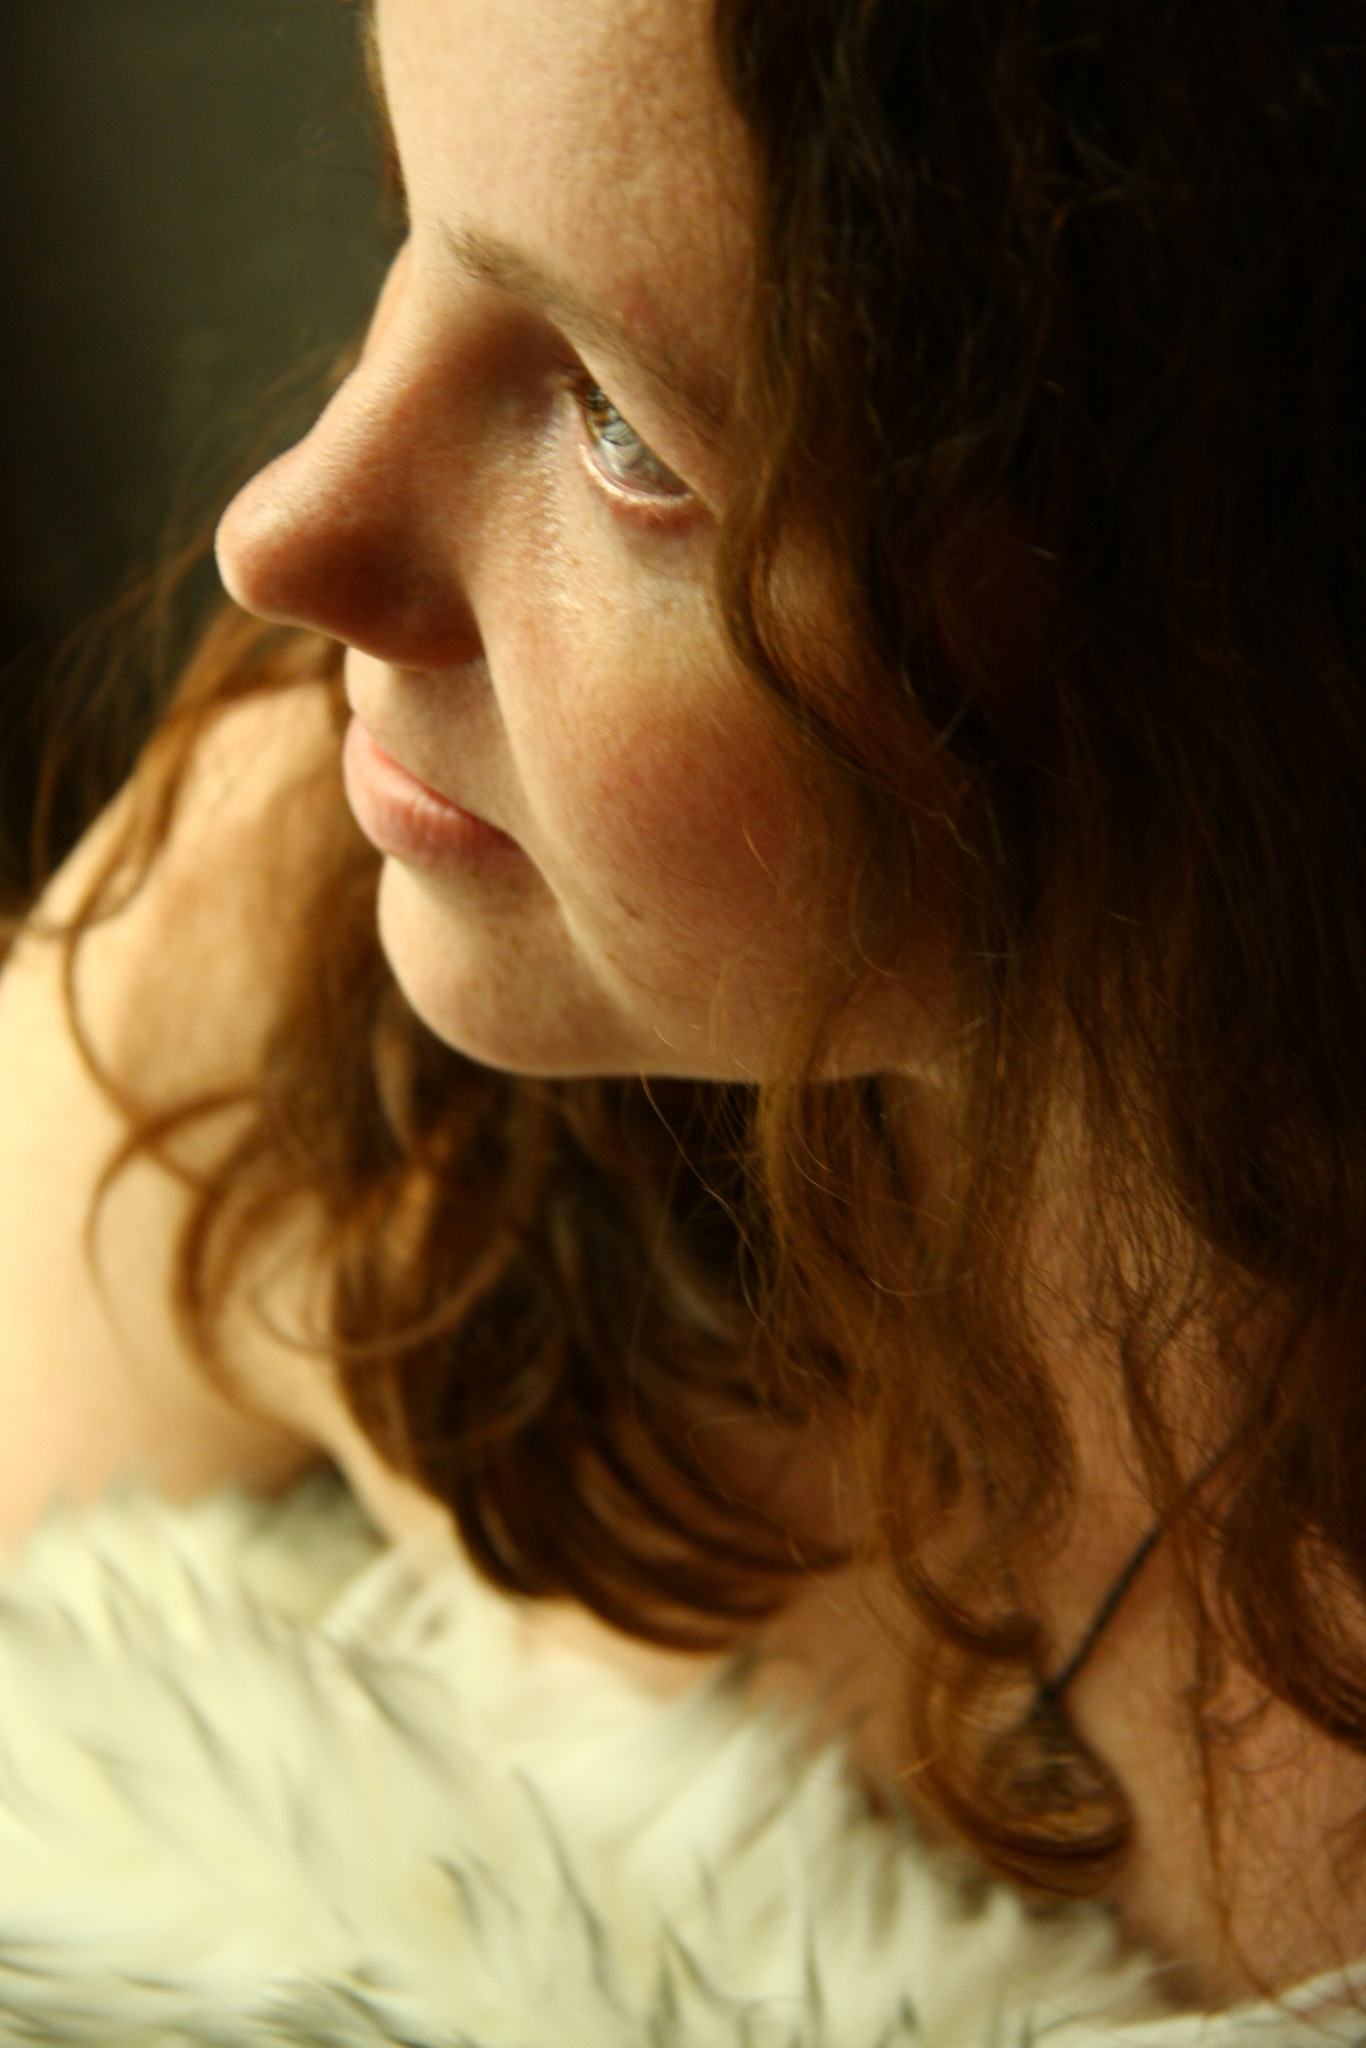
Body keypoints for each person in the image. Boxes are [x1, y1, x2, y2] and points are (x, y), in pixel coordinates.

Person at [0, 0, 1363, 2030]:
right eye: (410, 214)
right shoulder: (304, 961)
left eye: (621, 431)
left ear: (1235, 665)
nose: (279, 536)